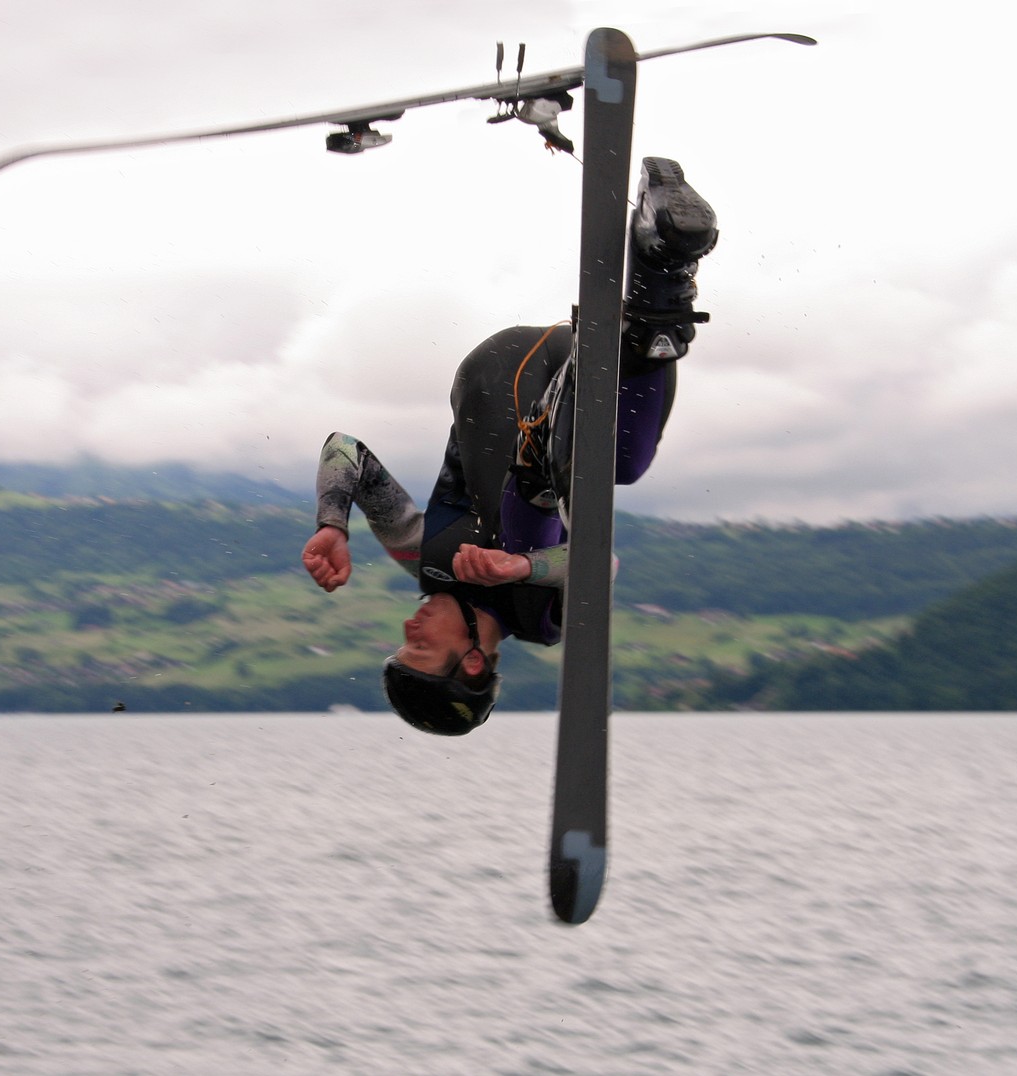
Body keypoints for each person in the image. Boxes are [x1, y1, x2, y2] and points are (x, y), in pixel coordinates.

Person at [301, 157, 718, 735]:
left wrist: (332, 524)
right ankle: (662, 270)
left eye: (404, 649)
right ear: (473, 660)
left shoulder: (417, 553)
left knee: (584, 475)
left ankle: (541, 456)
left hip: (496, 375)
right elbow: (603, 566)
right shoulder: (545, 622)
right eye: (418, 652)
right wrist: (520, 566)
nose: (407, 633)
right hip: (578, 400)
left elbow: (345, 451)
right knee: (622, 464)